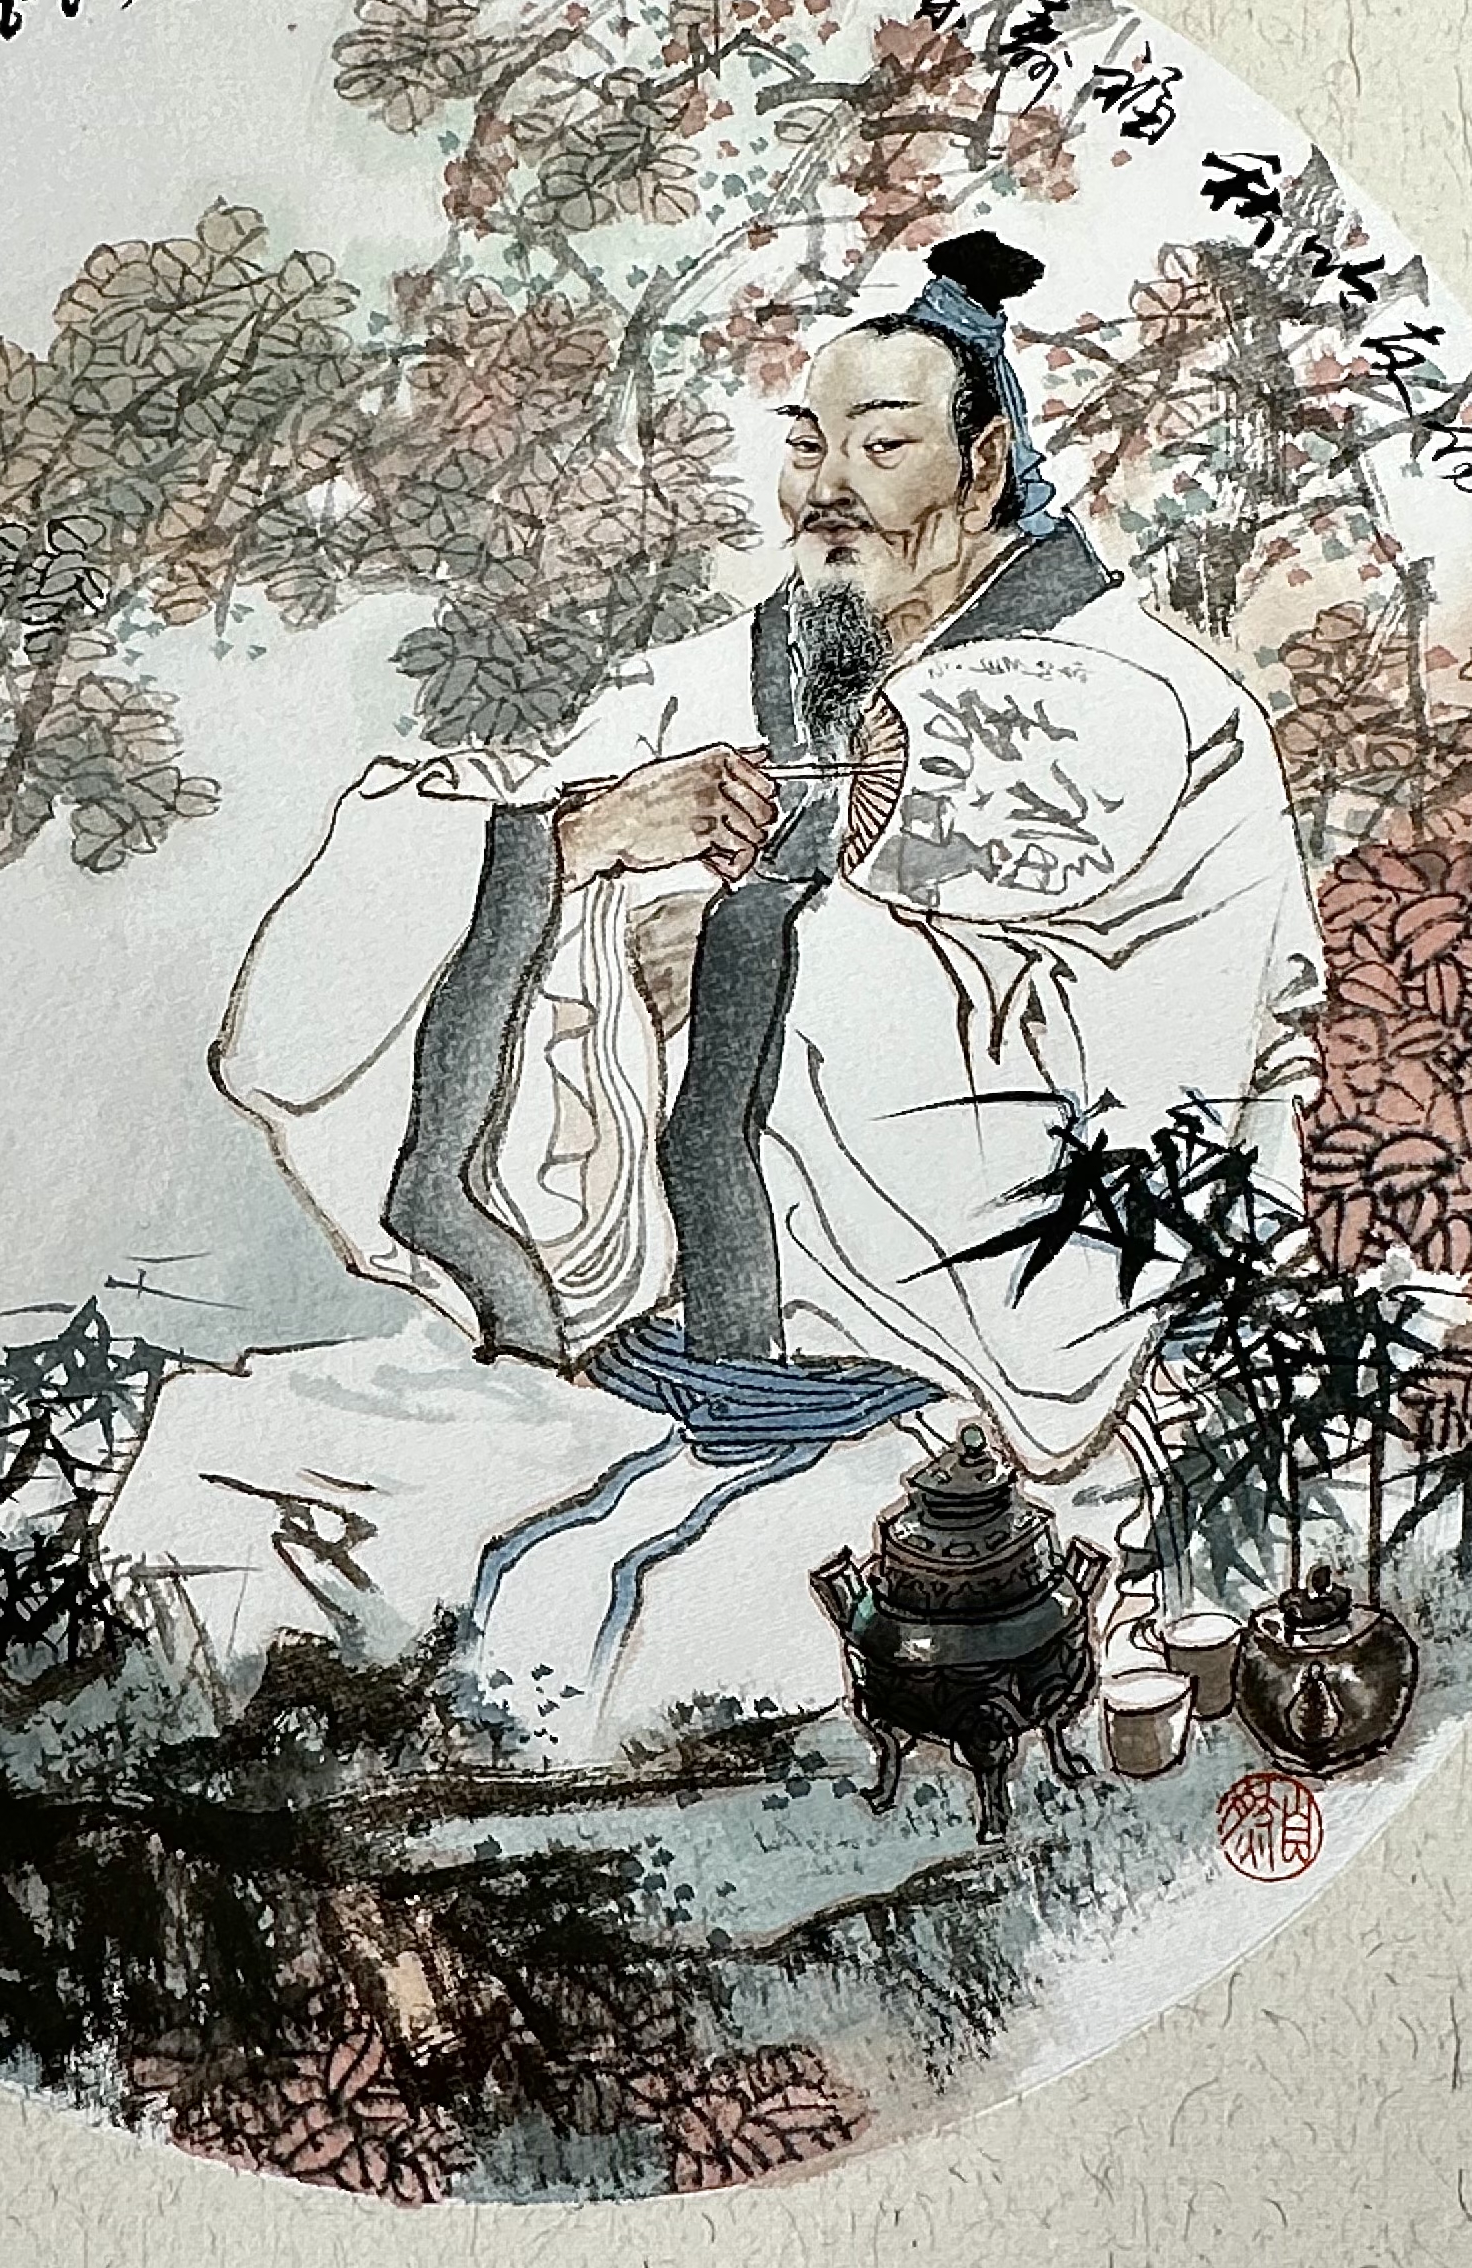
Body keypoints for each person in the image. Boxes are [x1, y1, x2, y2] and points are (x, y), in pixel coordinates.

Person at [107, 230, 1324, 1761]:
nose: (829, 486)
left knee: (652, 1641)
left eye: (882, 446)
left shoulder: (1155, 706)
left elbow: (1161, 1059)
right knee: (228, 1481)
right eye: (807, 444)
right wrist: (581, 844)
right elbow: (386, 932)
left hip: (959, 1356)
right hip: (655, 1341)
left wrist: (756, 953)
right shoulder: (702, 680)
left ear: (984, 465)